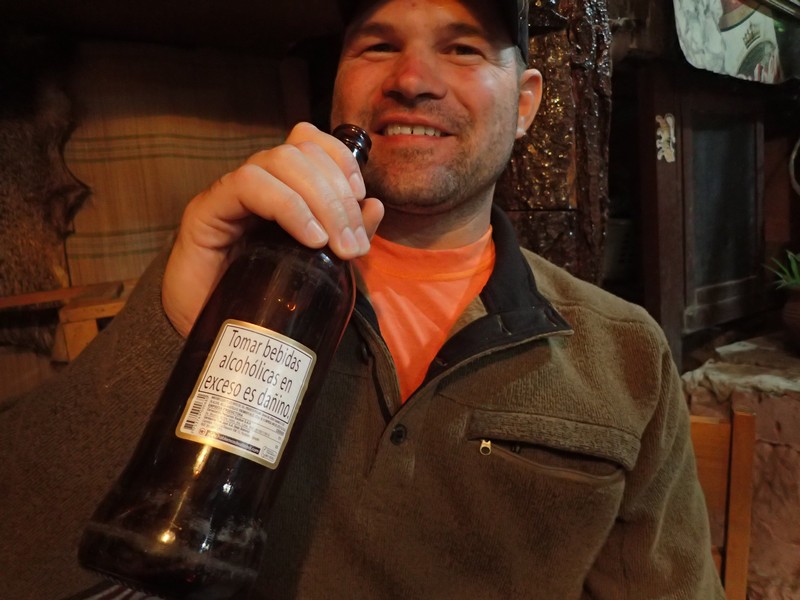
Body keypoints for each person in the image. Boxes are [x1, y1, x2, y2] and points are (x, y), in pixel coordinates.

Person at [0, 0, 725, 598]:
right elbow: (24, 555)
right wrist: (173, 332)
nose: (412, 80)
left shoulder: (626, 353)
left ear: (526, 102)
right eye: (378, 45)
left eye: (464, 48)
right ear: (337, 88)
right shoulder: (228, 282)